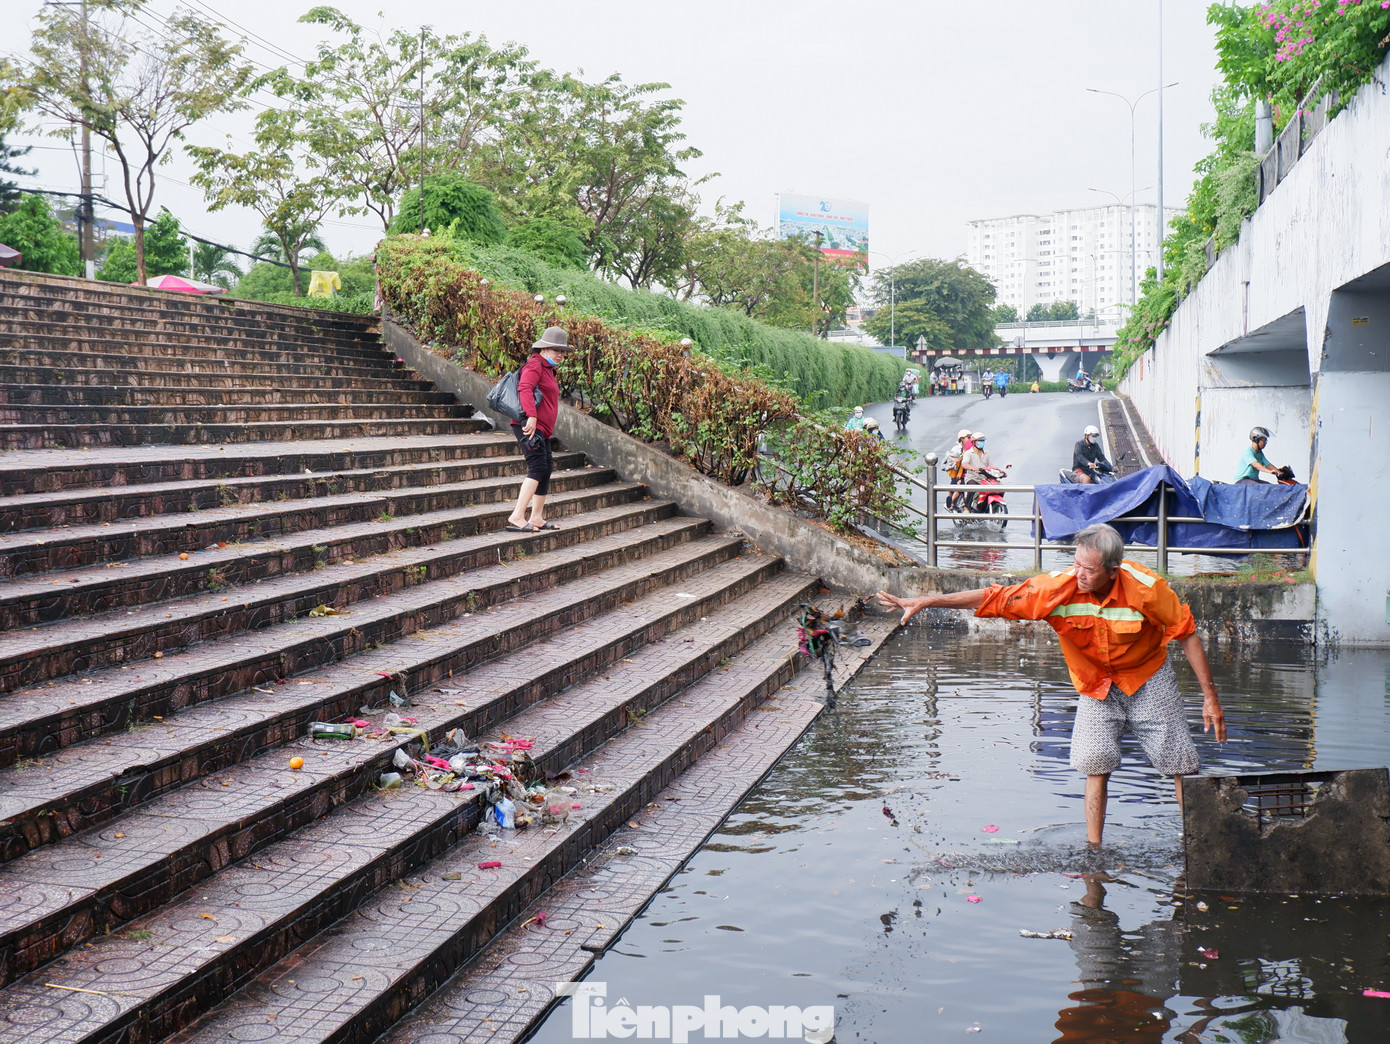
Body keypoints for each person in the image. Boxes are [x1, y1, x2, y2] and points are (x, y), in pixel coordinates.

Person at [877, 523, 1225, 846]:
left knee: (1181, 762)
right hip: (1095, 683)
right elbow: (996, 597)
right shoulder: (1057, 589)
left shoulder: (1147, 590)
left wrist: (1210, 699)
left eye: (1089, 569)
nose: (1080, 574)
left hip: (1146, 674)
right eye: (1077, 564)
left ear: (1112, 571)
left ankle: (1202, 841)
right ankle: (1094, 850)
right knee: (1095, 762)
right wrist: (926, 602)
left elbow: (1187, 634)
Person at [504, 326, 571, 532]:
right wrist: (531, 416)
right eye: (555, 350)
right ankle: (517, 515)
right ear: (543, 349)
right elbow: (524, 388)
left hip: (542, 428)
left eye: (562, 351)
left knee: (546, 469)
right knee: (538, 468)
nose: (559, 354)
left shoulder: (549, 369)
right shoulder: (535, 365)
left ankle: (536, 517)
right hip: (530, 425)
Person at [944, 429, 973, 511]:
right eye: (968, 437)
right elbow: (952, 459)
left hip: (966, 471)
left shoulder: (970, 447)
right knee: (959, 485)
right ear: (962, 439)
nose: (970, 439)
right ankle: (950, 503)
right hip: (956, 471)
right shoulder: (957, 449)